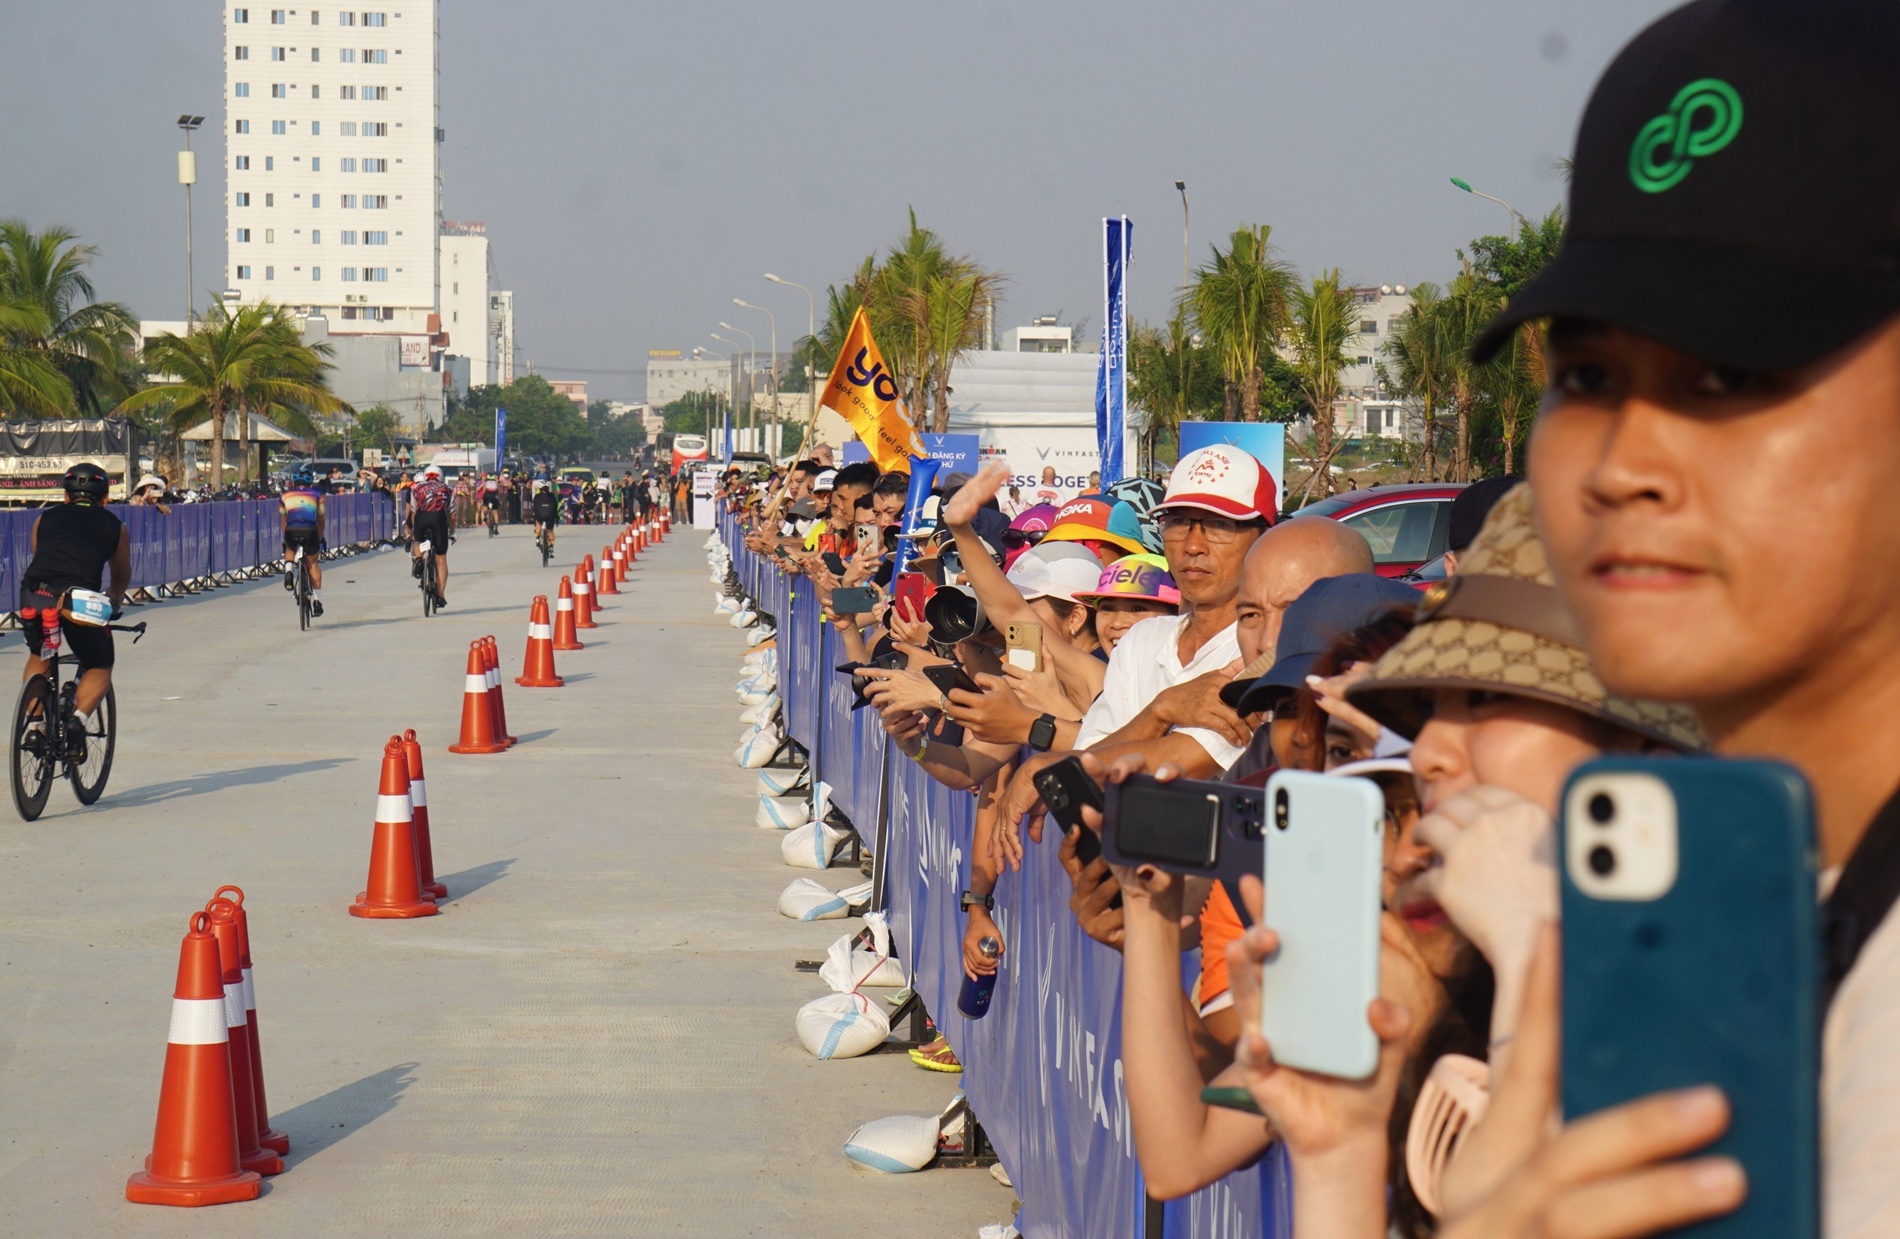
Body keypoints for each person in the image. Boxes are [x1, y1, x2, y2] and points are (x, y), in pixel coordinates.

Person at [18, 464, 130, 747]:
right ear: (105, 499)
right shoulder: (115, 526)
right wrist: (114, 599)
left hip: (36, 594)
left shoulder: (44, 519)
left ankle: (34, 726)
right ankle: (77, 720)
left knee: (41, 653)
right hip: (79, 600)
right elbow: (120, 574)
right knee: (100, 663)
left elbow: (39, 555)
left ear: (65, 497)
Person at [279, 471, 327, 618]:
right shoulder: (318, 496)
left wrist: (287, 538)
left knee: (290, 548)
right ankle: (317, 601)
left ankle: (288, 571)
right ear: (310, 484)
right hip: (310, 529)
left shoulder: (284, 496)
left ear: (293, 483)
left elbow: (284, 522)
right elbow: (320, 520)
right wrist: (319, 538)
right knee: (313, 564)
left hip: (292, 529)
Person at [409, 464, 452, 608]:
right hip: (439, 519)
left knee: (417, 540)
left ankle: (419, 560)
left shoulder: (416, 487)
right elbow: (452, 514)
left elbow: (414, 511)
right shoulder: (448, 488)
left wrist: (415, 530)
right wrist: (453, 532)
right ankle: (440, 595)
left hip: (422, 517)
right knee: (441, 557)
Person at [529, 479, 559, 552]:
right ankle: (551, 546)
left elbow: (534, 507)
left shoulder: (537, 496)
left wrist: (534, 515)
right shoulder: (552, 496)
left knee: (538, 522)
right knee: (550, 530)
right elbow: (555, 506)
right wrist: (556, 516)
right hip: (550, 516)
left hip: (540, 515)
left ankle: (537, 538)